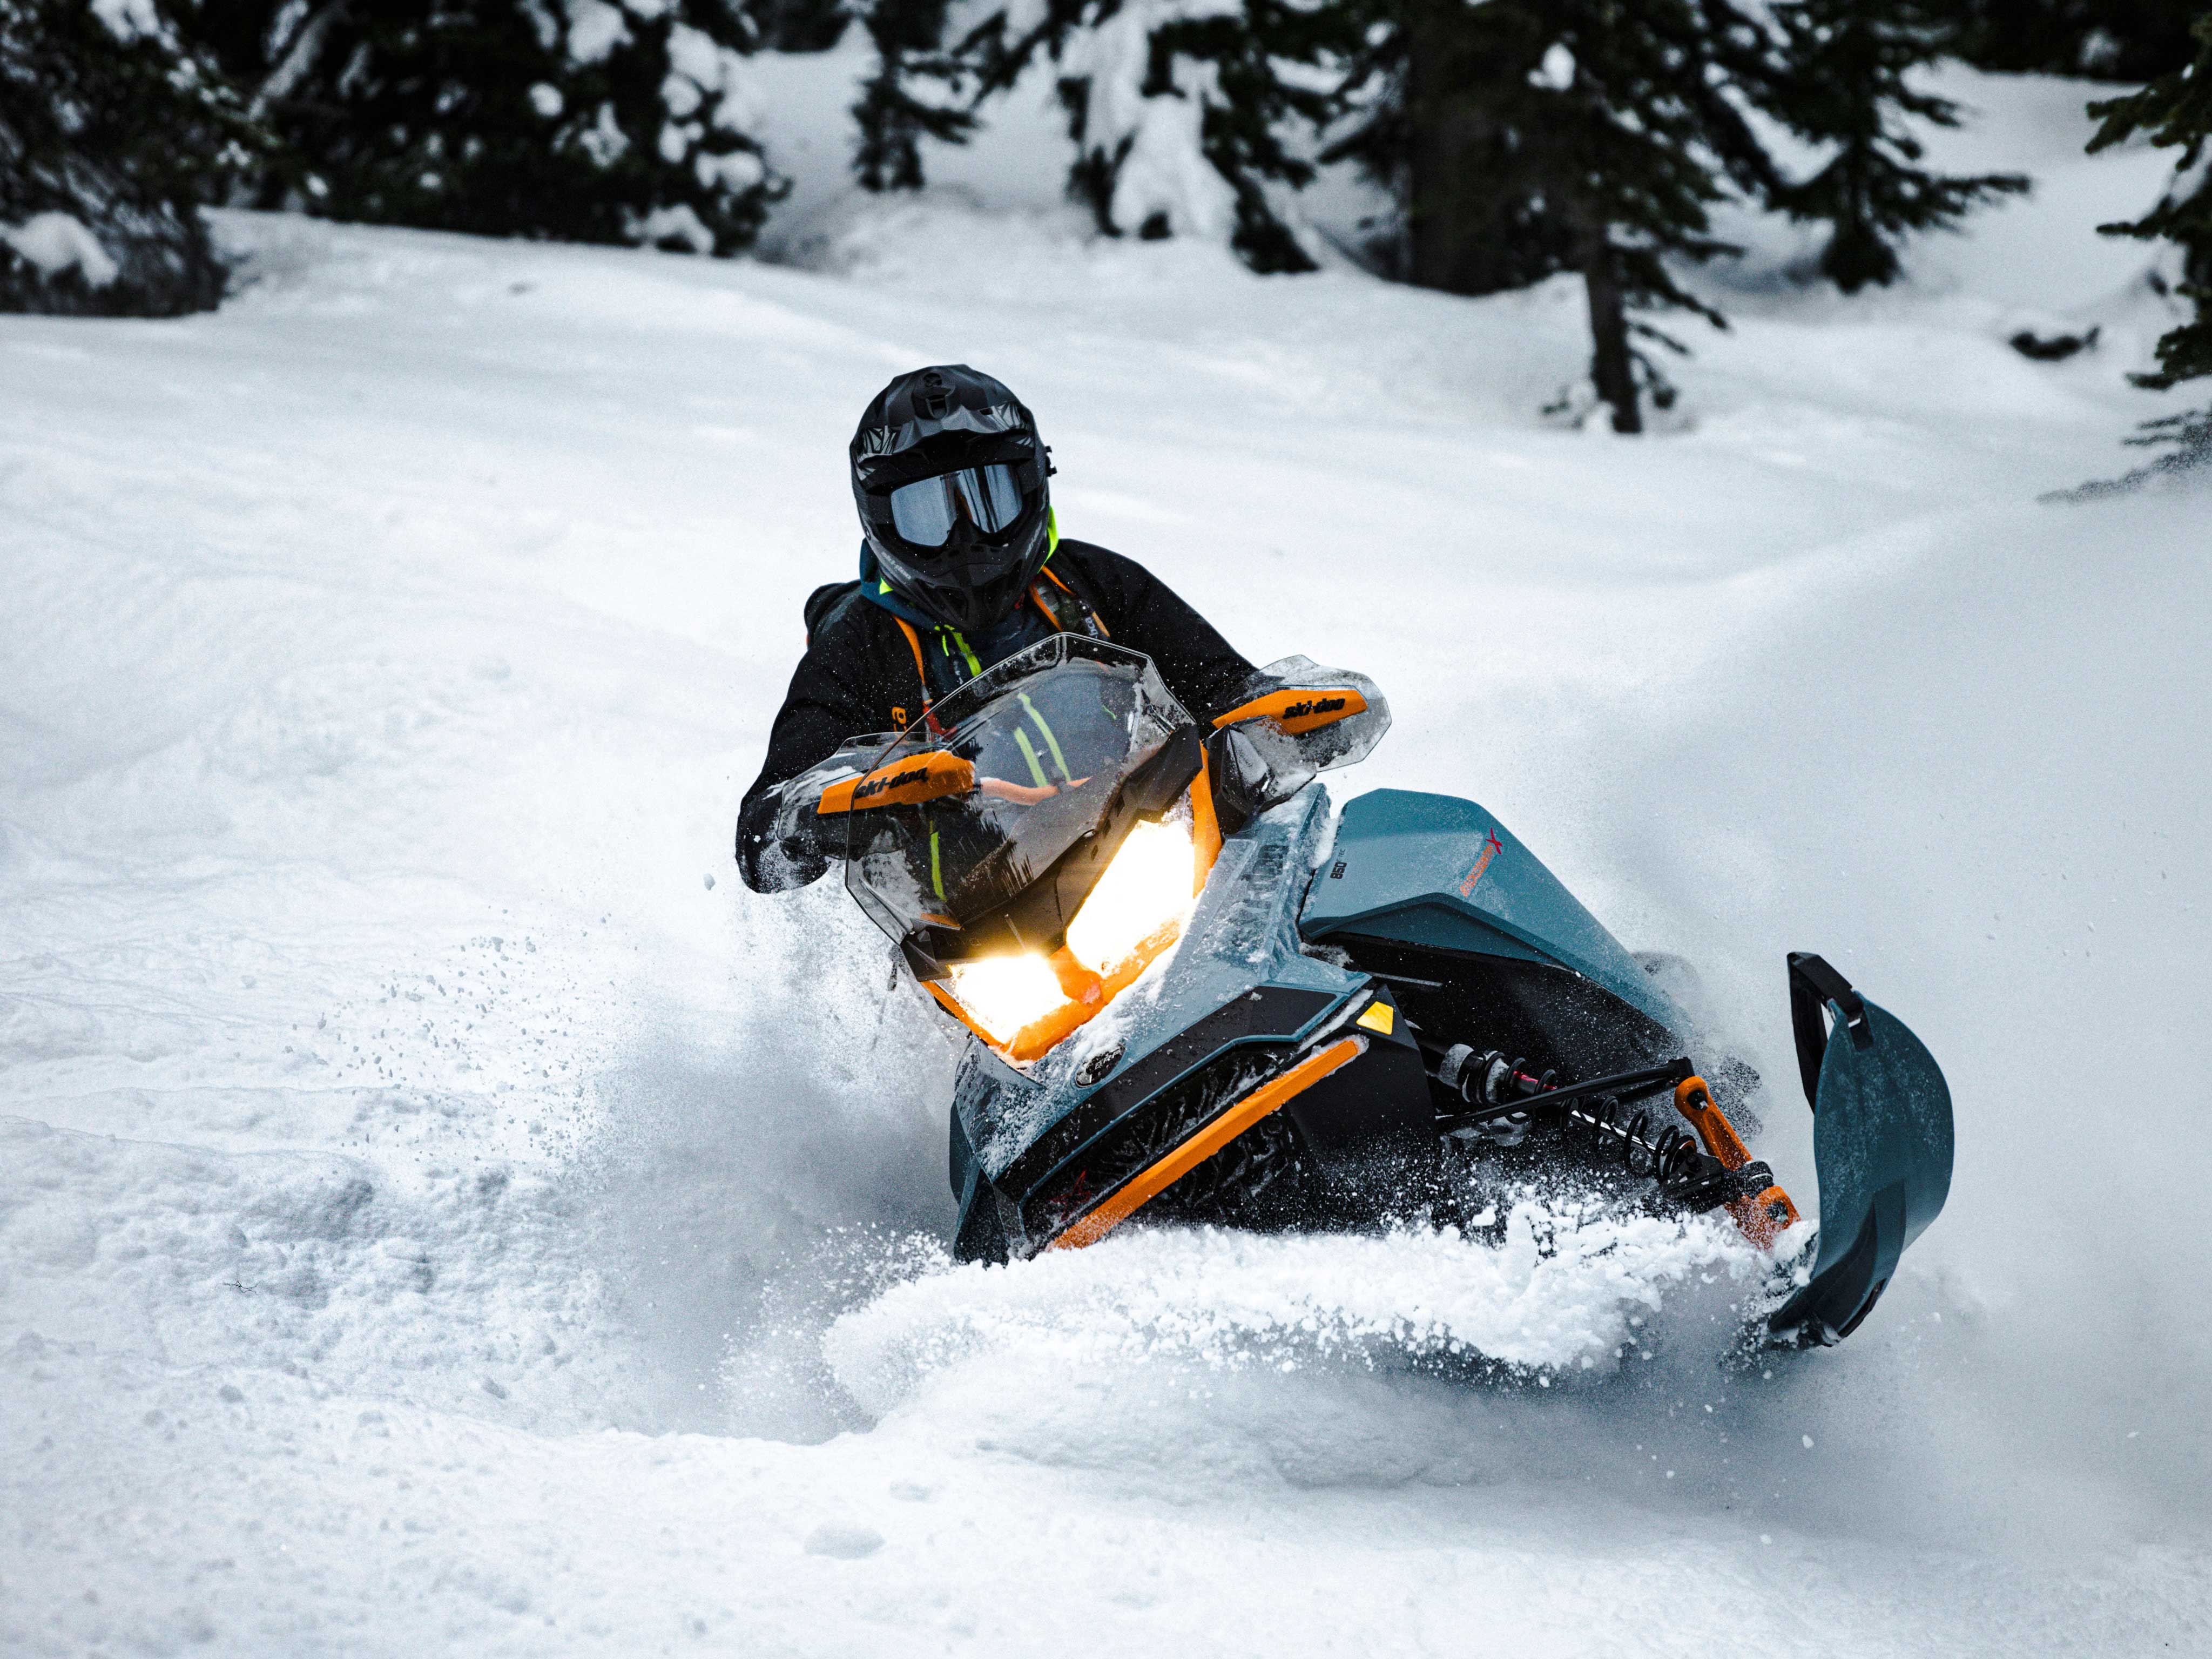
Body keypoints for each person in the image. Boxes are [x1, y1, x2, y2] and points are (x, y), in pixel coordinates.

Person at [736, 365, 1257, 893]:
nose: (965, 538)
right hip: (975, 931)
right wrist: (825, 811)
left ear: (1031, 483)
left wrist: (1280, 718)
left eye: (989, 500)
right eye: (928, 513)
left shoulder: (1093, 585)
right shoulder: (860, 644)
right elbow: (762, 839)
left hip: (1163, 859)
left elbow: (1230, 689)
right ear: (881, 520)